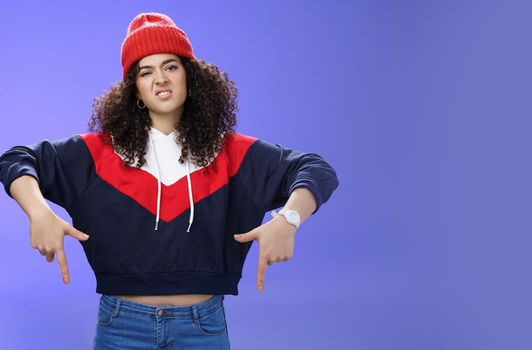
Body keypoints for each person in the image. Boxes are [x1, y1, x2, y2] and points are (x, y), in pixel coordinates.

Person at [0, 12, 339, 349]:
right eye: (146, 71)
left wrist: (289, 218)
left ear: (191, 78)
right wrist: (38, 212)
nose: (160, 79)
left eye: (171, 66)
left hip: (202, 327)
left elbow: (316, 169)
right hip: (121, 326)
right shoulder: (98, 153)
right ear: (135, 89)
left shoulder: (231, 153)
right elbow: (16, 159)